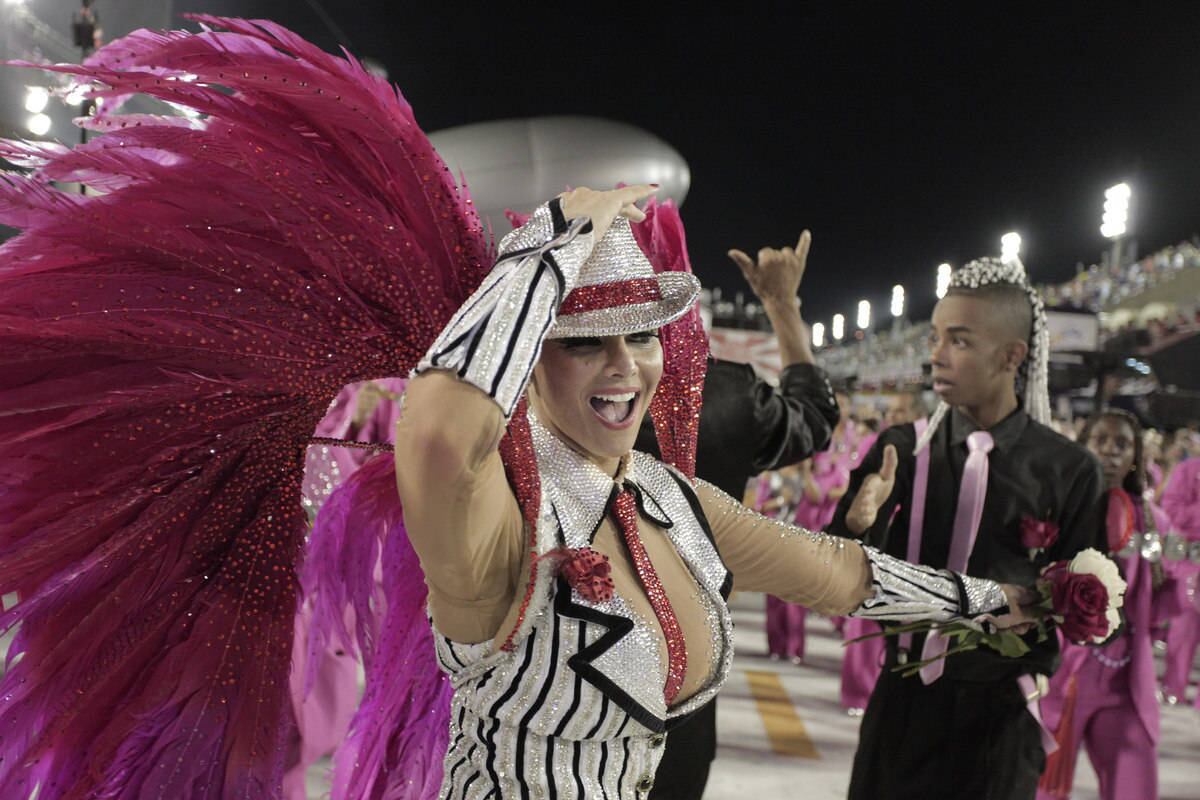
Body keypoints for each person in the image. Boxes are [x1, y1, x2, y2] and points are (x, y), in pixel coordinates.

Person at [0, 19, 1032, 800]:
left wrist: (994, 603)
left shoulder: (671, 498)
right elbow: (442, 432)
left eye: (639, 334)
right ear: (527, 360)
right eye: (585, 339)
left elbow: (842, 573)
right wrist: (545, 247)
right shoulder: (497, 508)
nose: (625, 364)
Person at [830, 257, 1107, 800]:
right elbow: (837, 574)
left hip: (1001, 718)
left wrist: (1055, 605)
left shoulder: (1069, 469)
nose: (935, 354)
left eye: (957, 340)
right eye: (935, 337)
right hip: (903, 703)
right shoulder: (904, 449)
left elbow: (1098, 610)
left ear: (1011, 357)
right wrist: (859, 524)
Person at [636, 229, 842, 800]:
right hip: (685, 683)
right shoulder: (725, 392)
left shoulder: (538, 385)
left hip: (553, 686)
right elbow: (816, 416)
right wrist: (782, 305)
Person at [1036, 409, 1170, 800]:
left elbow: (1166, 599)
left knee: (1133, 779)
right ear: (1084, 445)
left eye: (1122, 444)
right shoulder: (1057, 507)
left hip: (1125, 675)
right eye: (1101, 441)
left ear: (1135, 457)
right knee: (1042, 783)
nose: (1111, 452)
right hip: (1063, 670)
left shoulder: (1153, 521)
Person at [1160, 453, 1200, 706]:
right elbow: (1172, 508)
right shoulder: (1188, 470)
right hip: (1190, 560)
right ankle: (1174, 687)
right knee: (1183, 629)